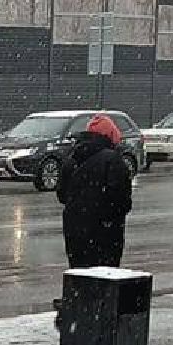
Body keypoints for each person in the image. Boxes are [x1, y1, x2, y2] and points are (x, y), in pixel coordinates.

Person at [57, 113, 135, 269]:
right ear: (111, 136)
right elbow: (121, 200)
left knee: (80, 277)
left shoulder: (72, 158)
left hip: (75, 230)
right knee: (105, 279)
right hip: (105, 233)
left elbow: (62, 195)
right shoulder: (113, 160)